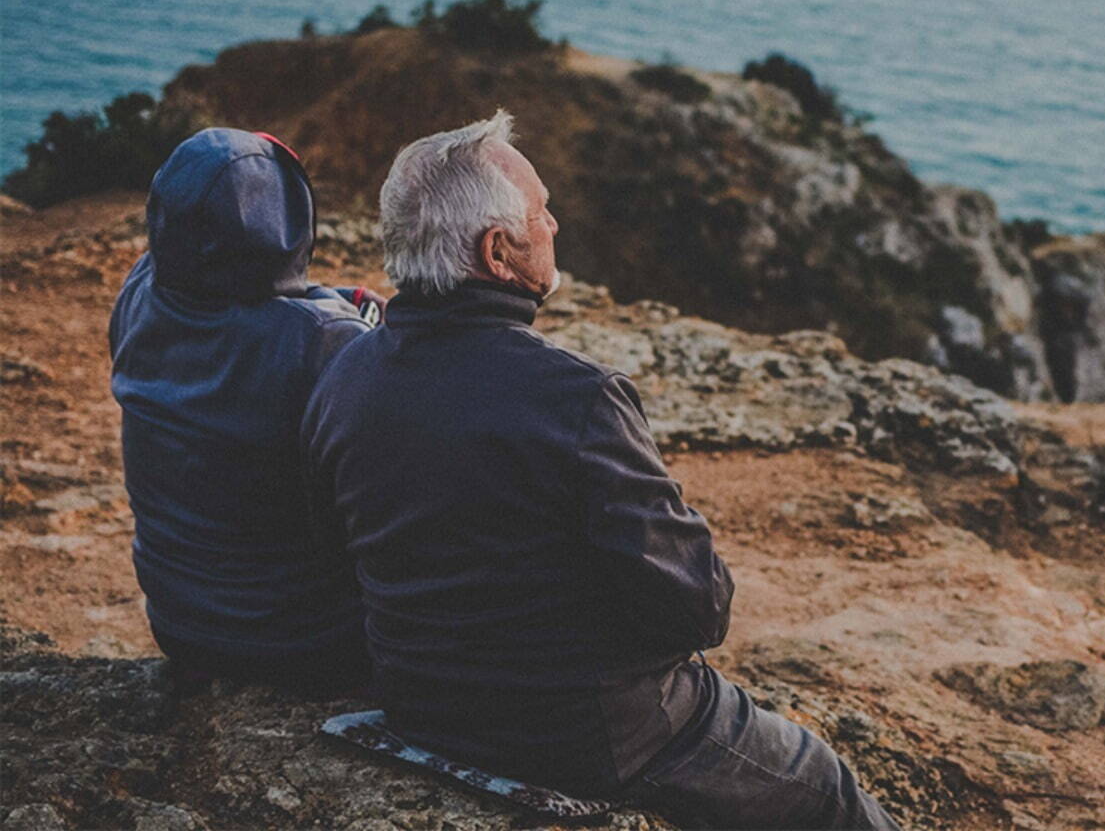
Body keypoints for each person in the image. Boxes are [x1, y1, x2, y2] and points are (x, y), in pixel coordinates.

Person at [301, 110, 901, 829]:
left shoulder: (345, 374)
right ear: (498, 251)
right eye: (542, 213)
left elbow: (337, 552)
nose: (554, 226)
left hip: (419, 704)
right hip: (592, 733)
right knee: (826, 788)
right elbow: (699, 608)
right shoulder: (574, 397)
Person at [110, 127, 378, 694]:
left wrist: (330, 299)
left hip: (179, 625)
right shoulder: (325, 342)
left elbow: (242, 303)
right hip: (306, 643)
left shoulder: (140, 289)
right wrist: (360, 318)